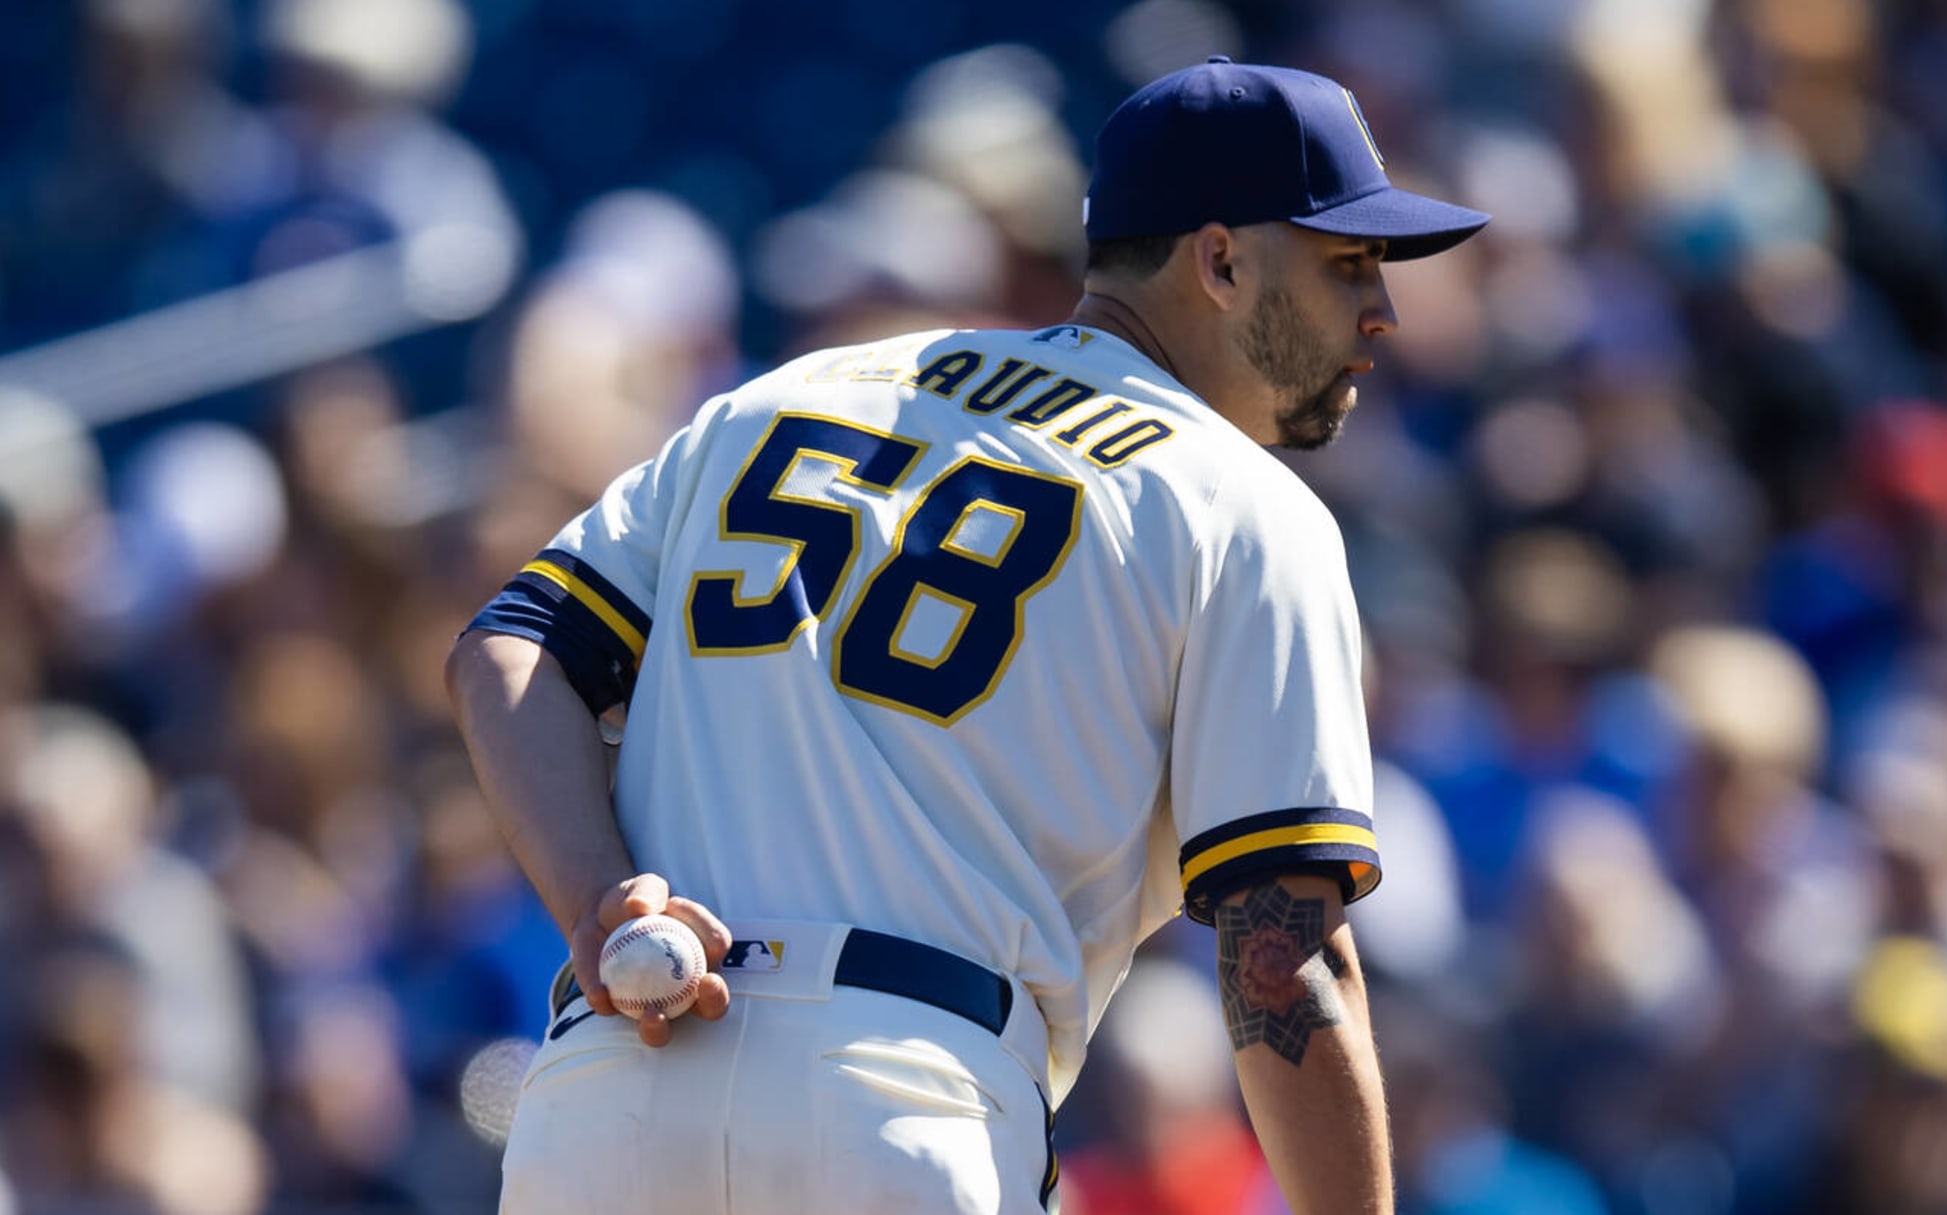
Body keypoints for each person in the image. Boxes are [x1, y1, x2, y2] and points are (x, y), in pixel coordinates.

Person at [445, 56, 1488, 1215]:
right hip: (904, 1102)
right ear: (1222, 260)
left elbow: (509, 647)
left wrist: (598, 904)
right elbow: (1280, 963)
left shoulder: (789, 396)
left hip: (607, 1093)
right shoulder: (1241, 503)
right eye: (1348, 263)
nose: (1382, 308)